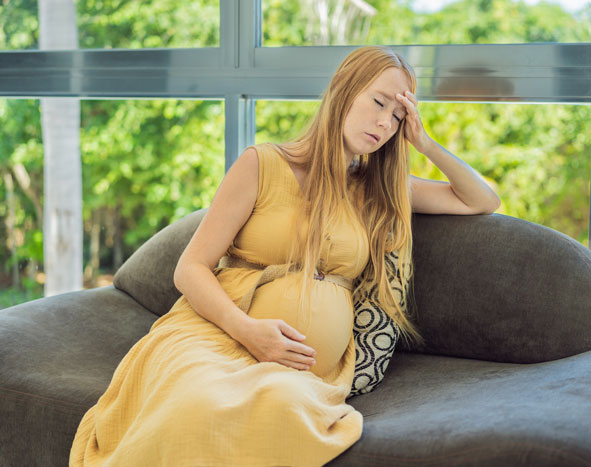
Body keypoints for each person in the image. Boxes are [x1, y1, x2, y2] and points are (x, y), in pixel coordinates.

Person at [69, 45, 500, 466]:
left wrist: (424, 143)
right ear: (344, 91)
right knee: (194, 405)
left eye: (398, 115)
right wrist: (248, 331)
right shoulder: (262, 164)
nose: (385, 122)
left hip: (298, 371)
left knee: (278, 406)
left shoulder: (378, 190)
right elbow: (190, 268)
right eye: (379, 102)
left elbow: (481, 199)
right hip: (218, 336)